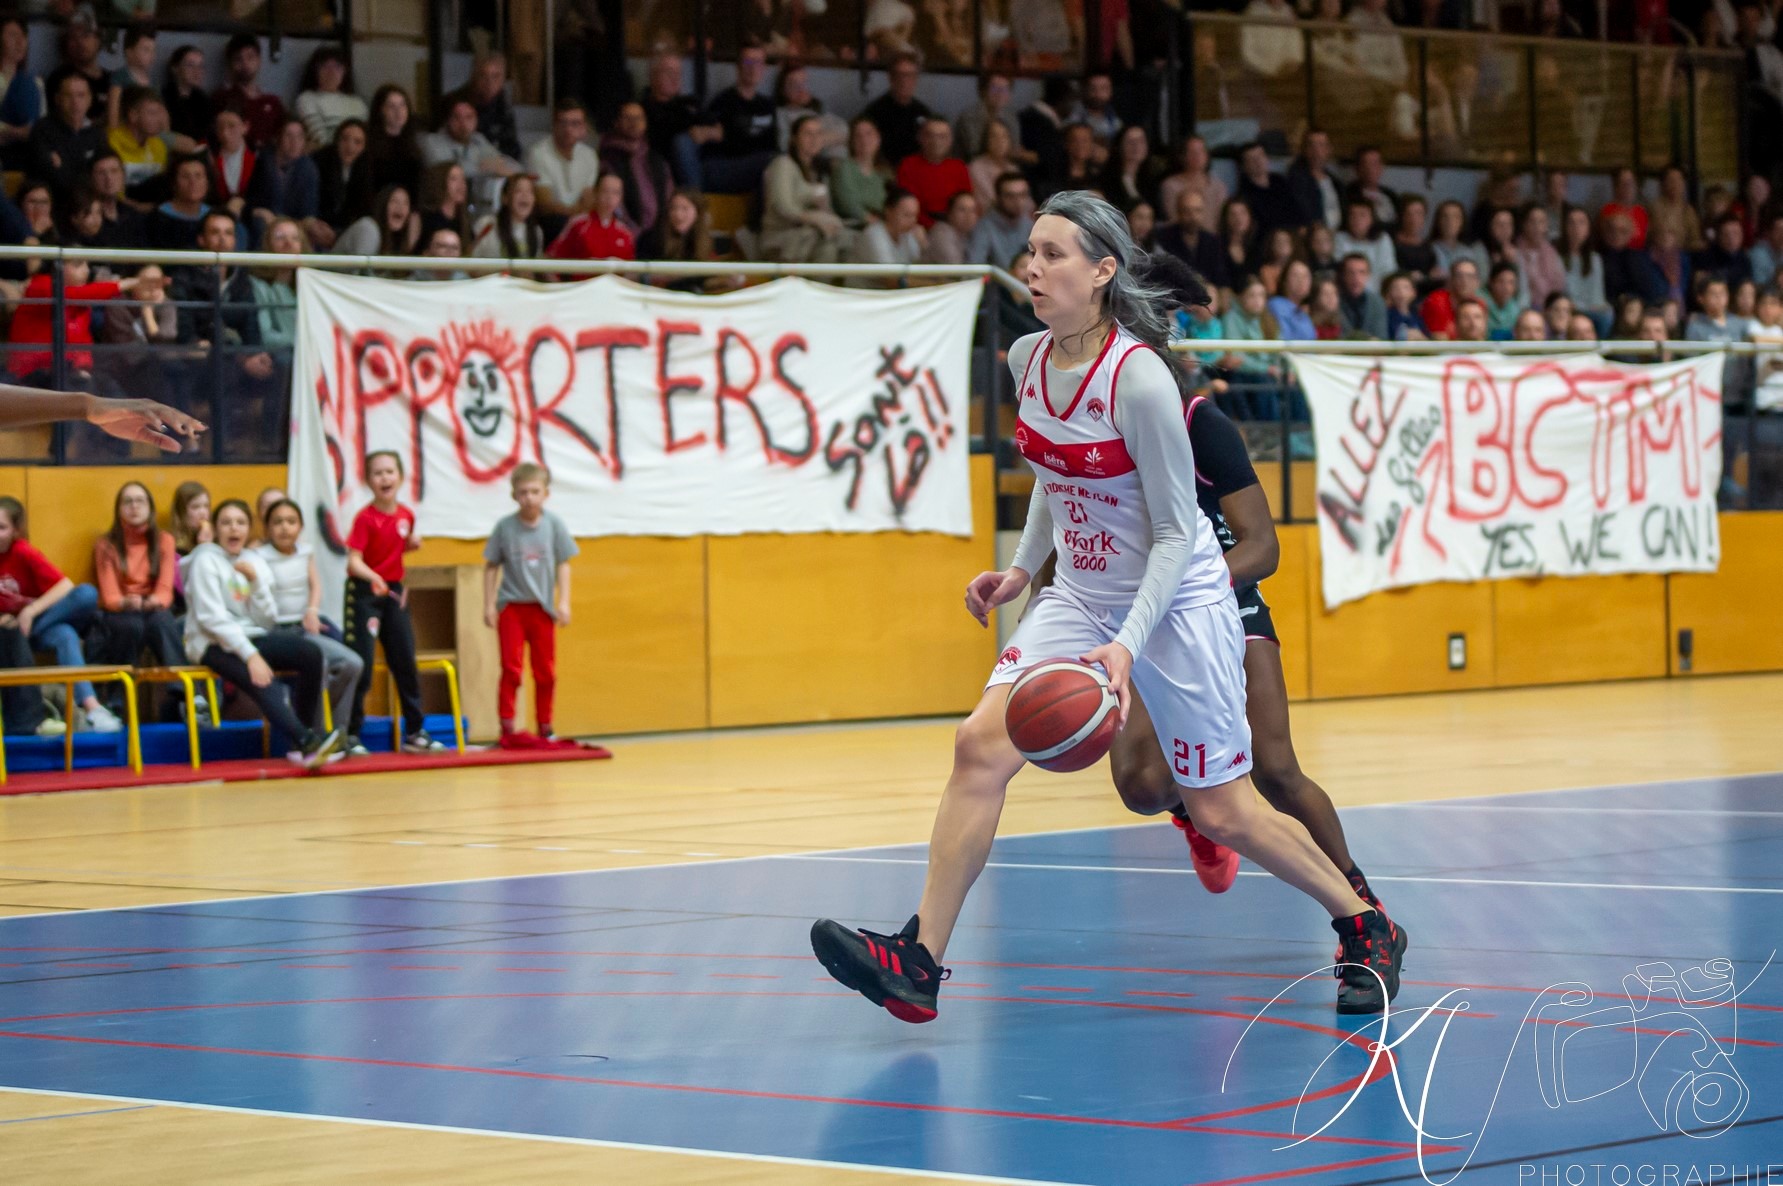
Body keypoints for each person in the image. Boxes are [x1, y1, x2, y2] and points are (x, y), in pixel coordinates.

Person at [810, 191, 1406, 1021]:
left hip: (1178, 597)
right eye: (1029, 251)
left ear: (1101, 272)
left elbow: (1173, 534)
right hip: (1081, 591)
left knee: (1223, 808)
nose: (1032, 266)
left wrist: (1127, 646)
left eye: (1054, 253)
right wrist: (1020, 573)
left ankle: (1364, 922)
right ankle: (919, 960)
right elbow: (1053, 478)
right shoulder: (1025, 359)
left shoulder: (1141, 381)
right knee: (977, 746)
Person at [184, 498, 343, 768]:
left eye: (240, 523)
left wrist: (255, 583)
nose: (234, 529)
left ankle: (302, 741)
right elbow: (211, 619)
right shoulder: (205, 560)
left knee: (310, 653)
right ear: (216, 528)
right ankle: (306, 741)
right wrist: (251, 655)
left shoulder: (253, 561)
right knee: (262, 679)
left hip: (250, 635)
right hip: (209, 642)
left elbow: (265, 619)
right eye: (226, 523)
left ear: (248, 529)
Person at [344, 451, 448, 756]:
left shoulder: (406, 515)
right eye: (377, 473)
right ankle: (351, 734)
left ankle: (415, 731)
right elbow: (354, 561)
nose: (384, 478)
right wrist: (373, 577)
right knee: (361, 664)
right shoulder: (365, 518)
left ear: (400, 477)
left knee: (405, 660)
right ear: (368, 481)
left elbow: (393, 548)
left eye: (390, 471)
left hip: (393, 593)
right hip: (365, 593)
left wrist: (409, 546)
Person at [0, 496, 119, 732]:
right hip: (10, 639)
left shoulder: (23, 552)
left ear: (15, 531)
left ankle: (92, 708)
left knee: (82, 599)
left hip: (36, 625)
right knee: (63, 632)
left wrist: (30, 612)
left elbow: (65, 586)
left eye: (1, 528)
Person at [482, 463, 579, 749]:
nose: (529, 498)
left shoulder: (554, 526)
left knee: (545, 671)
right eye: (523, 492)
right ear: (514, 495)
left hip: (542, 608)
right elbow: (490, 566)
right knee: (512, 669)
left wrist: (563, 601)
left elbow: (564, 563)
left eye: (535, 491)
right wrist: (489, 605)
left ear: (546, 494)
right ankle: (507, 726)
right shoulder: (505, 527)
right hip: (512, 606)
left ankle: (545, 726)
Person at [256, 499, 362, 733]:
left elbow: (315, 585)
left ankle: (338, 732)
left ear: (300, 527)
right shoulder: (258, 556)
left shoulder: (306, 552)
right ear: (267, 528)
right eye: (278, 522)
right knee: (318, 664)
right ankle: (315, 733)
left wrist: (312, 610)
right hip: (275, 632)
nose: (285, 527)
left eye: (291, 522)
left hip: (304, 629)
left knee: (352, 663)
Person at [92, 481, 185, 685]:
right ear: (118, 510)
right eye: (128, 502)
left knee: (163, 620)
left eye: (140, 501)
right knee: (131, 626)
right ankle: (119, 698)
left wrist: (151, 602)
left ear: (150, 508)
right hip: (121, 610)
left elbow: (165, 591)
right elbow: (109, 596)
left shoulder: (164, 540)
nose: (134, 506)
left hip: (152, 607)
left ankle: (187, 694)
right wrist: (126, 603)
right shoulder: (105, 544)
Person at [759, 115, 846, 263]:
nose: (814, 138)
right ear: (794, 138)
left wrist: (824, 211)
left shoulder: (820, 172)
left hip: (812, 234)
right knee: (822, 243)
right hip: (780, 236)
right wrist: (815, 219)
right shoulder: (783, 164)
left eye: (818, 134)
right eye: (808, 134)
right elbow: (783, 206)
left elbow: (827, 212)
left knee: (839, 242)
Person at [696, 41, 778, 196]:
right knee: (771, 162)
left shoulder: (768, 106)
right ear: (738, 66)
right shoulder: (722, 102)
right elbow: (714, 145)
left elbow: (771, 143)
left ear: (764, 68)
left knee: (775, 166)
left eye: (758, 63)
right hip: (724, 168)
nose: (753, 68)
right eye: (748, 62)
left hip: (760, 168)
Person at [248, 117, 325, 246]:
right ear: (278, 138)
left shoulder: (308, 167)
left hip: (296, 223)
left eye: (299, 136)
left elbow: (309, 210)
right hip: (267, 222)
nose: (294, 142)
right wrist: (260, 212)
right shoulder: (264, 161)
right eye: (288, 135)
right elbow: (251, 200)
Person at [31, 66, 104, 200]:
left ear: (90, 100)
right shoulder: (42, 129)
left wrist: (62, 164)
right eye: (68, 95)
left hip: (90, 203)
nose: (75, 102)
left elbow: (103, 176)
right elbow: (54, 177)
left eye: (81, 95)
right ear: (58, 99)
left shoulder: (96, 134)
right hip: (55, 203)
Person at [528, 96, 600, 229]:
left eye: (575, 124)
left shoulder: (589, 155)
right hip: (551, 222)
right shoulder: (538, 153)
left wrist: (578, 213)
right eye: (563, 123)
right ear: (554, 125)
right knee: (558, 221)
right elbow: (545, 205)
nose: (568, 129)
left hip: (578, 220)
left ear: (583, 127)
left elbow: (589, 200)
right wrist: (577, 212)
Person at [441, 51, 521, 162]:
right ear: (473, 76)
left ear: (503, 79)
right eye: (483, 75)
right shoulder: (454, 103)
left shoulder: (503, 104)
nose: (489, 82)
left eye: (495, 76)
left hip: (497, 165)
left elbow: (512, 147)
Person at [895, 118, 972, 227]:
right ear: (920, 138)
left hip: (956, 226)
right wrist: (935, 226)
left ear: (950, 140)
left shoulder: (959, 167)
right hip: (919, 226)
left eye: (942, 137)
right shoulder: (908, 165)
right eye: (930, 135)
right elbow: (907, 205)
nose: (936, 141)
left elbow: (966, 202)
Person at [213, 33, 286, 148]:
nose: (245, 64)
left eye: (250, 57)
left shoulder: (273, 102)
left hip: (271, 158)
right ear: (230, 64)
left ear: (259, 61)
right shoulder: (221, 98)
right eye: (238, 59)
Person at [863, 53, 934, 170]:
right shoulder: (875, 112)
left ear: (916, 79)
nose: (904, 81)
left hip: (918, 173)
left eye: (910, 75)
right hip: (885, 173)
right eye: (900, 75)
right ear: (890, 78)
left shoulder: (924, 113)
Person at [546, 173, 635, 261]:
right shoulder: (578, 224)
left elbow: (632, 269)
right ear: (596, 193)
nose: (610, 197)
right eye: (605, 191)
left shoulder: (625, 233)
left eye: (616, 193)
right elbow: (550, 257)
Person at [295, 46, 367, 151]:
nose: (331, 72)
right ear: (315, 71)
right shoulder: (307, 99)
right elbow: (321, 140)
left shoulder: (358, 102)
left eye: (337, 67)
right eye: (325, 66)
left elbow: (367, 136)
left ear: (344, 72)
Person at [1156, 135, 1227, 235]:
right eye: (1192, 152)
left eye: (1201, 151)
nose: (1197, 156)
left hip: (1215, 243)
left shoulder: (1218, 186)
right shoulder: (1170, 186)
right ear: (1183, 156)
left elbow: (1223, 221)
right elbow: (1174, 219)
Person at [0, 16, 44, 172]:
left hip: (24, 156)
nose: (20, 42)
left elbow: (38, 128)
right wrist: (18, 132)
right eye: (12, 35)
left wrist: (9, 132)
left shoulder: (34, 83)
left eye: (23, 36)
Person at [314, 119, 373, 233]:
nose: (350, 147)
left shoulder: (366, 168)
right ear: (337, 140)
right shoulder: (319, 162)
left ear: (365, 147)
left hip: (346, 231)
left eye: (357, 142)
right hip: (319, 228)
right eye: (345, 139)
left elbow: (365, 210)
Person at [849, 187, 924, 275]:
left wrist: (923, 245)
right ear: (888, 211)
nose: (913, 221)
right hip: (865, 289)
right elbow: (891, 280)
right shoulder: (874, 234)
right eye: (907, 215)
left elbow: (918, 271)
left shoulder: (908, 234)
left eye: (915, 216)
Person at [333, 183, 419, 259]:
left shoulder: (396, 241)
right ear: (383, 206)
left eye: (405, 203)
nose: (400, 207)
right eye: (394, 201)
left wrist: (410, 244)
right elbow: (360, 273)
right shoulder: (368, 228)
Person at [364, 84, 424, 195]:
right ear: (380, 110)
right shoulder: (369, 145)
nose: (399, 111)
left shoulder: (414, 144)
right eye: (391, 106)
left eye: (402, 105)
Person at [831, 116, 889, 226]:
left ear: (878, 138)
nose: (864, 140)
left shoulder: (884, 174)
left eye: (869, 134)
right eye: (858, 136)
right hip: (857, 225)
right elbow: (848, 204)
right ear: (852, 142)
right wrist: (880, 224)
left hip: (883, 223)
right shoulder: (844, 168)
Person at [472, 174, 544, 260]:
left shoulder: (537, 232)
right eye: (518, 191)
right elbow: (471, 266)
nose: (525, 195)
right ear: (505, 198)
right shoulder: (487, 224)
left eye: (530, 191)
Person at [1235, 141, 1298, 237]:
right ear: (1244, 167)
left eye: (1260, 156)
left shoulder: (1279, 181)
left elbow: (1295, 207)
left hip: (1293, 235)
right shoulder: (1244, 195)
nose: (1258, 162)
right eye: (1252, 159)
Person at [206, 107, 258, 224]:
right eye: (220, 127)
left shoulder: (258, 158)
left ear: (245, 127)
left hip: (247, 216)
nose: (225, 133)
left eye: (231, 126)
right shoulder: (208, 157)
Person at [1514, 203, 1567, 312]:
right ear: (1524, 224)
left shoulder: (1551, 252)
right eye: (1532, 222)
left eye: (1541, 222)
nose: (1537, 227)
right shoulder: (1515, 252)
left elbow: (1559, 284)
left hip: (1551, 306)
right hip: (1525, 306)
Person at [105, 22, 157, 130]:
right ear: (129, 52)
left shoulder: (152, 82)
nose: (152, 55)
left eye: (153, 50)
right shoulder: (120, 77)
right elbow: (113, 111)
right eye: (146, 50)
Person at [1333, 197, 1395, 282]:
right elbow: (1340, 268)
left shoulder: (1382, 238)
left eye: (1362, 215)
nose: (1357, 219)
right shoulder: (1339, 238)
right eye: (1352, 215)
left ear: (1372, 219)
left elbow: (1388, 270)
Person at [161, 45, 213, 145]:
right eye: (190, 65)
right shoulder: (164, 98)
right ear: (175, 68)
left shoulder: (204, 100)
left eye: (200, 66)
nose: (197, 71)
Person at [1421, 256, 1480, 340]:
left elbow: (1480, 338)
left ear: (1477, 282)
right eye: (1459, 276)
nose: (1464, 281)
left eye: (1470, 276)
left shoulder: (1479, 305)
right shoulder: (1437, 302)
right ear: (1451, 279)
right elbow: (1440, 341)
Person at [1337, 253, 1389, 340]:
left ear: (1368, 275)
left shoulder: (1377, 302)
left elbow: (1381, 336)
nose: (1356, 278)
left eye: (1362, 272)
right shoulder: (1334, 301)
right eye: (1351, 272)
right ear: (1343, 275)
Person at [1748, 286, 1783, 411]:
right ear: (1757, 307)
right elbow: (1757, 339)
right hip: (1764, 400)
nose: (1768, 309)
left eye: (1773, 304)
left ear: (1780, 308)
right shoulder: (1753, 326)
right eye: (1763, 303)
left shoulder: (1779, 331)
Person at [1485, 261, 1526, 339]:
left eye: (1511, 282)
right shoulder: (1480, 304)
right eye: (1501, 281)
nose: (1506, 287)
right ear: (1491, 283)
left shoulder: (1515, 308)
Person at [1384, 271, 1428, 340]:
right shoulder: (1386, 316)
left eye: (1406, 287)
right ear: (1388, 292)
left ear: (1414, 292)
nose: (1401, 292)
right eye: (1395, 288)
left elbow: (1426, 337)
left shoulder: (1417, 316)